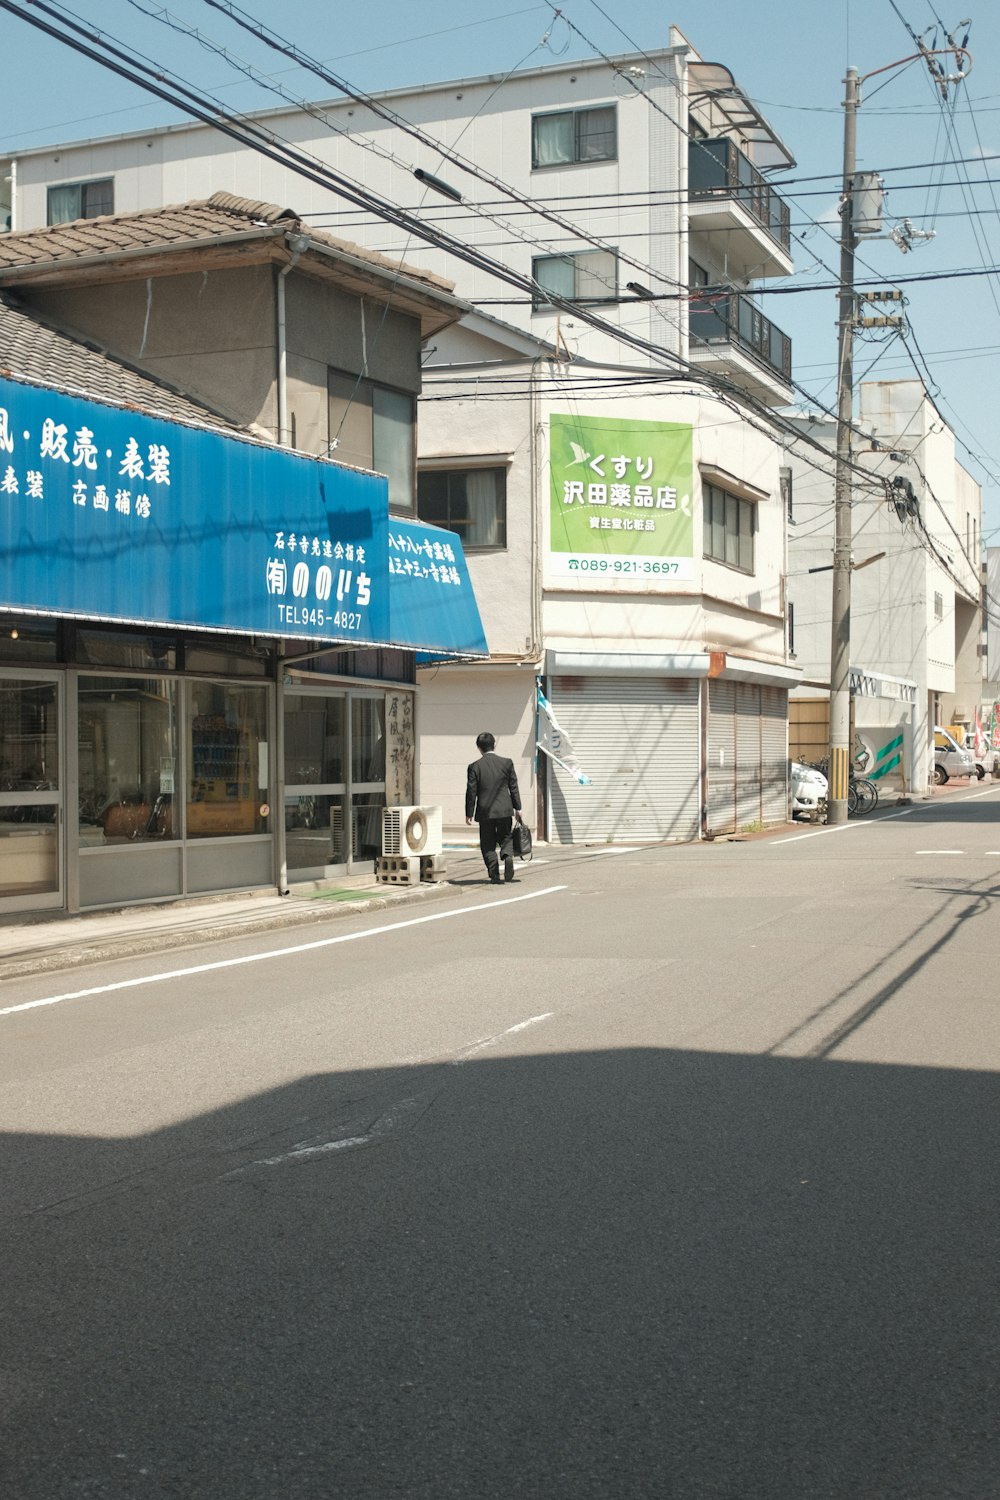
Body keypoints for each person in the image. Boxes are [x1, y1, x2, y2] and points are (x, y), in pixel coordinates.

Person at [465, 731, 522, 884]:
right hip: (505, 809)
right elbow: (513, 787)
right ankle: (507, 856)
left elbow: (471, 791)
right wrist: (518, 808)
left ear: (478, 747)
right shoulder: (507, 763)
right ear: (494, 745)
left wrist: (469, 812)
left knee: (487, 843)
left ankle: (495, 875)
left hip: (485, 811)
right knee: (505, 837)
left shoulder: (474, 767)